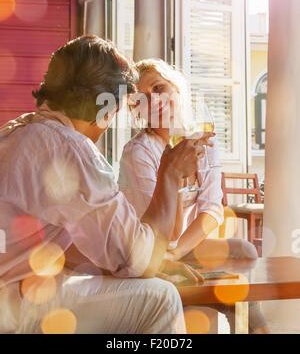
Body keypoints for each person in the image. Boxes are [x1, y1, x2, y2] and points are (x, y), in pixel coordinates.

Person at [0, 36, 205, 334]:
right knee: (160, 298)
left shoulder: (20, 131)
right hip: (9, 301)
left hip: (17, 283)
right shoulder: (69, 148)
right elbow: (138, 259)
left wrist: (134, 261)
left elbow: (75, 247)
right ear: (105, 109)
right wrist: (170, 174)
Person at [118, 58, 269, 334]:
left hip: (180, 249)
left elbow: (211, 211)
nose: (154, 99)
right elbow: (166, 232)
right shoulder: (138, 152)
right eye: (142, 98)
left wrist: (178, 252)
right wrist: (173, 175)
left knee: (244, 252)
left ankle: (246, 321)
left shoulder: (205, 143)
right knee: (231, 287)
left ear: (177, 88)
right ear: (138, 111)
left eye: (159, 87)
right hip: (150, 251)